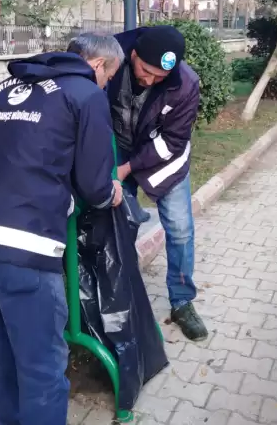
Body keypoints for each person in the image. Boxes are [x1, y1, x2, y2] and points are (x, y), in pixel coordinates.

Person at [0, 33, 125, 425]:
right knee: (42, 363)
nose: (106, 85)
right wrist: (110, 194)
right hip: (23, 243)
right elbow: (94, 184)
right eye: (109, 77)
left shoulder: (3, 87)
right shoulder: (84, 93)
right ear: (98, 65)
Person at [107, 25, 208, 342]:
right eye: (145, 71)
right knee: (117, 224)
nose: (149, 80)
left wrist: (130, 168)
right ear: (133, 55)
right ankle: (117, 299)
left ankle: (182, 301)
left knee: (179, 228)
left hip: (164, 158)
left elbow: (174, 142)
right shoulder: (111, 57)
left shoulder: (185, 84)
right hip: (117, 147)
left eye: (158, 77)